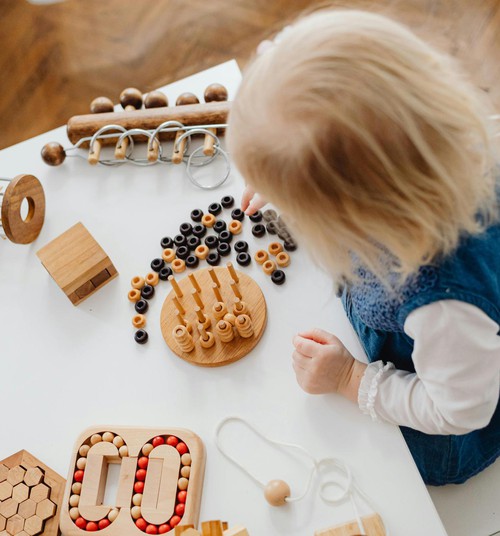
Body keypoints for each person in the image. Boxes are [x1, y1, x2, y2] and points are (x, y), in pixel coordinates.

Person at [227, 9, 500, 486]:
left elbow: (460, 412)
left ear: (355, 214)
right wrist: (293, 173)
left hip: (435, 410)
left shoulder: (444, 303)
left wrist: (351, 380)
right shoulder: (430, 143)